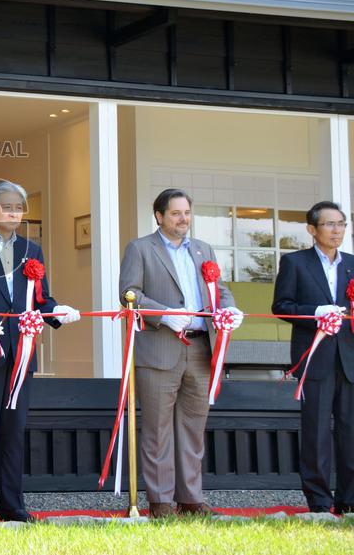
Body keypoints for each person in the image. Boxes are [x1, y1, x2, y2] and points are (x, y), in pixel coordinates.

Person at [0, 181, 80, 525]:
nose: (14, 213)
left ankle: (12, 506)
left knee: (13, 429)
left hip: (21, 354)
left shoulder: (32, 250)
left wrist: (57, 312)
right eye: (7, 206)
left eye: (19, 208)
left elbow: (41, 299)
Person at [118, 188, 241, 518]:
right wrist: (163, 313)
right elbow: (129, 293)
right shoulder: (141, 248)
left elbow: (220, 290)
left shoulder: (203, 249)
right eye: (175, 213)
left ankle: (191, 498)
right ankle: (160, 502)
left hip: (201, 349)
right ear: (159, 216)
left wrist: (230, 309)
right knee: (158, 430)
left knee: (192, 429)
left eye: (187, 213)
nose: (183, 219)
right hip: (160, 349)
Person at [272, 201, 354, 514]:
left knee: (350, 431)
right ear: (312, 229)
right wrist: (316, 313)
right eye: (330, 224)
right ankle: (319, 500)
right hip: (315, 357)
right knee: (316, 431)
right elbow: (281, 306)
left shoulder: (352, 263)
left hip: (349, 359)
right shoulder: (295, 263)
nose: (337, 230)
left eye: (342, 224)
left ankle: (349, 499)